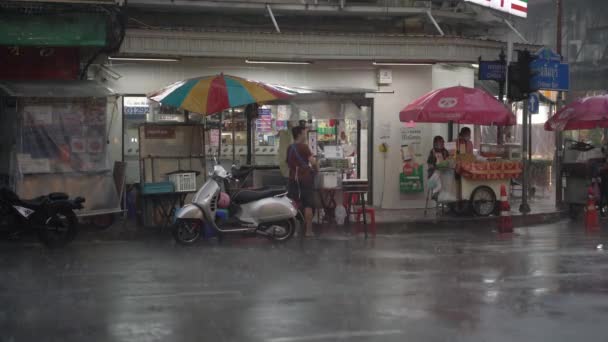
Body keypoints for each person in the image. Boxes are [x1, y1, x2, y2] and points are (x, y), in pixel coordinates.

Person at [287, 126, 318, 237]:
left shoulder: (290, 148)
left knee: (294, 204)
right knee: (308, 205)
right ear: (299, 134)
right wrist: (316, 170)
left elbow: (288, 163)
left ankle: (295, 230)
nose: (305, 135)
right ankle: (308, 231)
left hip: (292, 180)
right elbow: (313, 162)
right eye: (304, 133)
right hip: (305, 179)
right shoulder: (304, 147)